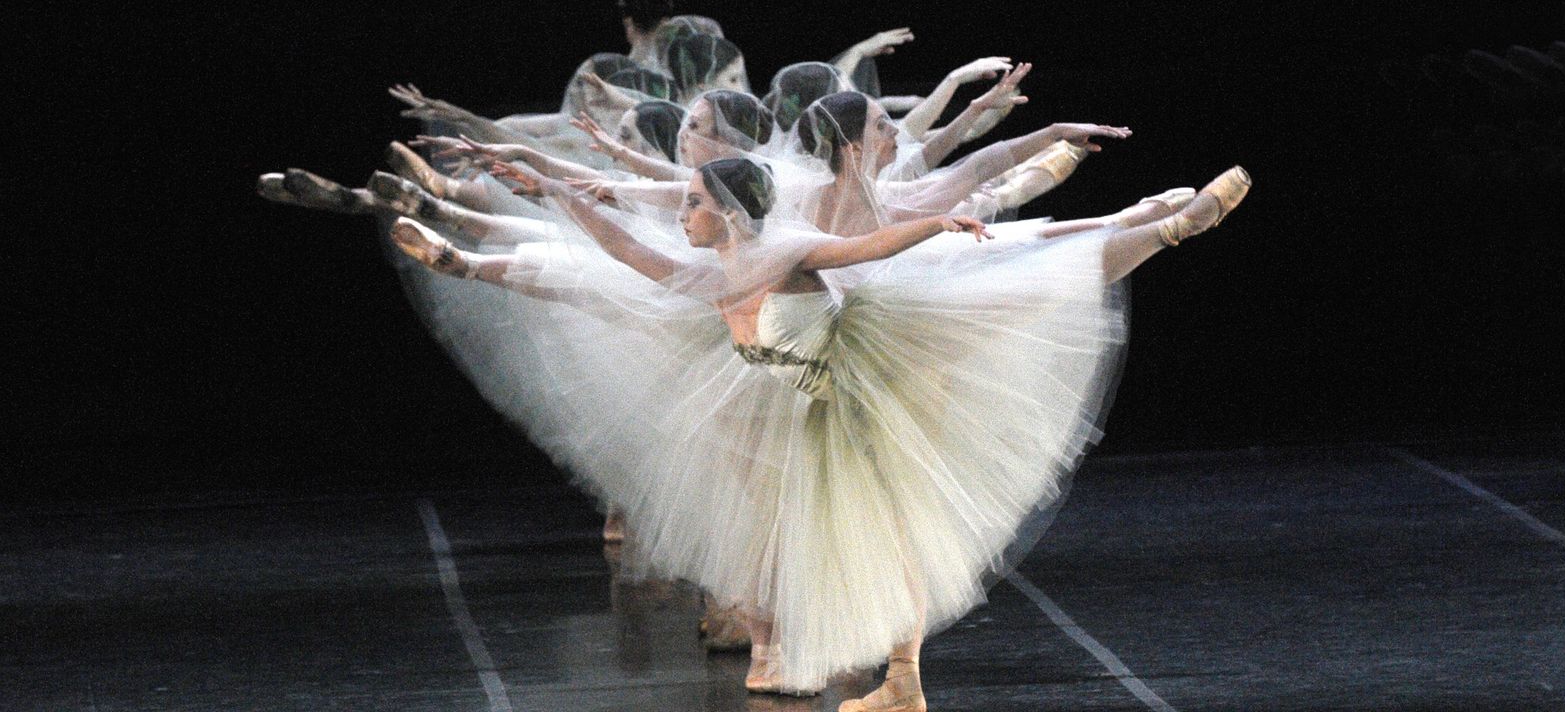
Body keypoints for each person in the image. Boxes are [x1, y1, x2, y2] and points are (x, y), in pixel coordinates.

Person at [386, 154, 1251, 702]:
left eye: (693, 201)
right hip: (810, 408)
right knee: (870, 539)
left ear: (728, 210)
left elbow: (861, 252)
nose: (681, 213)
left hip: (871, 376)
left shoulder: (780, 250)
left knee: (1017, 287)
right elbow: (620, 252)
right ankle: (898, 684)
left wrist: (935, 224)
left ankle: (1168, 225)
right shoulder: (707, 272)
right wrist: (556, 192)